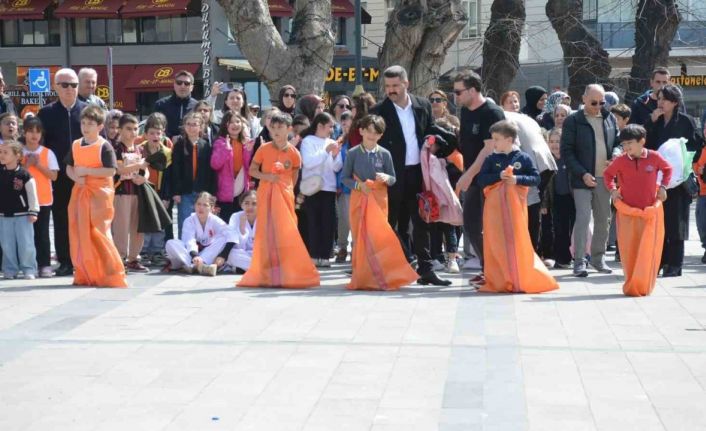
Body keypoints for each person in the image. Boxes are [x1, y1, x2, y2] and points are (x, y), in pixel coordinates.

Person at [370, 65, 452, 286]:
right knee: (389, 222)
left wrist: (436, 143)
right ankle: (387, 268)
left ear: (406, 83)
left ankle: (426, 270)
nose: (391, 90)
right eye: (388, 86)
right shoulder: (378, 111)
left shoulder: (422, 105)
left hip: (417, 172)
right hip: (390, 175)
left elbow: (430, 129)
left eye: (395, 85)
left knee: (422, 221)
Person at [239, 112, 320, 288]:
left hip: (284, 197)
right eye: (273, 127)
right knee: (267, 231)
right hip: (266, 194)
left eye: (280, 127)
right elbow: (252, 170)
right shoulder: (264, 148)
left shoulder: (294, 153)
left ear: (289, 129)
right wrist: (267, 177)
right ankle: (267, 272)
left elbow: (294, 175)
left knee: (286, 231)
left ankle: (287, 270)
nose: (275, 131)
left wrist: (286, 189)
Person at [476, 120, 558, 293]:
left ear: (509, 139)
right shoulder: (491, 159)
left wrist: (517, 179)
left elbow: (535, 178)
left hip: (517, 212)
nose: (493, 142)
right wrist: (498, 176)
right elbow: (481, 179)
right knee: (498, 243)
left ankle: (519, 277)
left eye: (496, 139)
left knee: (518, 242)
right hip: (496, 213)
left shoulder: (523, 158)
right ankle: (501, 278)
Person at [341, 114, 418, 290]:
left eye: (376, 133)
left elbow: (393, 178)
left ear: (381, 135)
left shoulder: (385, 154)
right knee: (360, 236)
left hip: (379, 200)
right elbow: (344, 178)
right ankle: (361, 273)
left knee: (378, 236)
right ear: (361, 131)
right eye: (369, 131)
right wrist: (359, 186)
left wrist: (386, 177)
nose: (372, 135)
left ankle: (380, 273)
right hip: (359, 199)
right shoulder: (353, 153)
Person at [560, 84, 620, 277]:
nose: (598, 106)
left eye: (602, 103)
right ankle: (579, 261)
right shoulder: (573, 121)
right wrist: (582, 174)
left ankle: (598, 259)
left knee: (604, 219)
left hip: (605, 177)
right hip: (582, 178)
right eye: (594, 102)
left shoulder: (609, 118)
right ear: (584, 98)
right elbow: (567, 152)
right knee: (583, 218)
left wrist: (616, 154)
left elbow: (618, 142)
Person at [604, 124, 671, 295]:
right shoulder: (621, 160)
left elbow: (667, 169)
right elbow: (608, 175)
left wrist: (663, 187)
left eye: (630, 143)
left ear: (642, 141)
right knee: (629, 250)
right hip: (627, 213)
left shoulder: (654, 157)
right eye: (624, 144)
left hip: (649, 214)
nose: (626, 147)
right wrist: (613, 190)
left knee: (647, 250)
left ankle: (644, 284)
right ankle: (632, 281)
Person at [65, 105, 126, 287]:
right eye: (83, 123)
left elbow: (111, 171)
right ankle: (86, 272)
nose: (85, 127)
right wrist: (76, 177)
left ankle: (110, 273)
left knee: (99, 233)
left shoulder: (104, 146)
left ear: (99, 126)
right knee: (79, 232)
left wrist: (87, 171)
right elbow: (69, 167)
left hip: (100, 196)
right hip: (80, 193)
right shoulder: (76, 144)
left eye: (90, 124)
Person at [454, 70, 505, 285]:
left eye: (458, 92)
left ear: (473, 90)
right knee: (471, 225)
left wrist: (468, 175)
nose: (455, 96)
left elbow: (489, 149)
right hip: (473, 178)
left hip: (492, 178)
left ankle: (497, 270)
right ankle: (488, 268)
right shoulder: (466, 112)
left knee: (492, 227)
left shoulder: (492, 113)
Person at [645, 85, 702, 277]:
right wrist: (651, 123)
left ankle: (675, 264)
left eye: (665, 99)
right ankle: (660, 261)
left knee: (677, 223)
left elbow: (696, 146)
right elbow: (646, 145)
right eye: (659, 98)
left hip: (678, 179)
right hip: (657, 178)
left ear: (675, 102)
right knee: (659, 221)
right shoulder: (656, 121)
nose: (660, 103)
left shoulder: (686, 121)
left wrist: (682, 160)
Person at [37, 68, 87, 277]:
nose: (70, 89)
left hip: (85, 175)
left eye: (74, 85)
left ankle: (86, 260)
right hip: (59, 176)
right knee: (61, 219)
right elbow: (40, 144)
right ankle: (65, 261)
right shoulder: (46, 113)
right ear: (56, 87)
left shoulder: (88, 111)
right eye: (65, 85)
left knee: (85, 219)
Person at [300, 112, 343, 267]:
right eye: (329, 126)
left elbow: (337, 167)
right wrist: (325, 151)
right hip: (312, 188)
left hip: (329, 187)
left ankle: (325, 255)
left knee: (328, 222)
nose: (332, 130)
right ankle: (313, 254)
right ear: (320, 125)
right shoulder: (308, 141)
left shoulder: (331, 141)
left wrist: (335, 155)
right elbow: (308, 162)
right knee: (313, 221)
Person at [421, 133, 464, 273]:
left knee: (445, 228)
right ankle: (442, 258)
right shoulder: (434, 160)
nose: (431, 146)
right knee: (440, 229)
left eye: (434, 144)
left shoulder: (436, 160)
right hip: (439, 199)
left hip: (442, 198)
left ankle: (450, 259)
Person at [112, 114, 149, 273]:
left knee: (138, 227)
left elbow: (146, 169)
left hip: (138, 192)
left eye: (135, 129)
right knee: (121, 227)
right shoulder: (116, 148)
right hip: (121, 192)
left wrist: (144, 177)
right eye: (128, 129)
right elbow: (119, 169)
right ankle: (119, 259)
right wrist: (138, 165)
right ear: (120, 130)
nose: (133, 132)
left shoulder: (140, 149)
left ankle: (134, 258)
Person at [22, 117, 58, 278]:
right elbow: (13, 173)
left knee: (42, 234)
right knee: (26, 235)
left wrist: (37, 165)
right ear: (24, 133)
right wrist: (27, 165)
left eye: (37, 131)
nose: (34, 135)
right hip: (22, 201)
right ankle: (28, 265)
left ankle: (44, 265)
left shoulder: (47, 153)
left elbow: (54, 176)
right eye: (30, 131)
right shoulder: (19, 152)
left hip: (43, 199)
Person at [170, 112, 215, 236]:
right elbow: (175, 170)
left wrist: (212, 192)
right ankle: (184, 244)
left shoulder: (206, 145)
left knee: (202, 222)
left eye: (194, 124)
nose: (191, 127)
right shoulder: (179, 145)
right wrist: (176, 192)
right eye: (188, 124)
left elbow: (210, 171)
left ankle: (200, 244)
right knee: (185, 221)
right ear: (184, 126)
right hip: (185, 191)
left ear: (201, 127)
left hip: (202, 191)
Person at [0, 141, 39, 280]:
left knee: (26, 243)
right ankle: (10, 269)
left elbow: (32, 194)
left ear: (17, 155)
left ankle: (29, 269)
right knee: (6, 244)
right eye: (0, 152)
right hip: (3, 215)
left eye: (5, 152)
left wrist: (33, 211)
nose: (2, 155)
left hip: (23, 215)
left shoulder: (24, 174)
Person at [164, 191, 226, 276]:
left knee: (223, 239)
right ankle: (196, 265)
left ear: (212, 208)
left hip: (207, 254)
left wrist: (222, 256)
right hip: (190, 254)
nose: (201, 207)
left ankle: (199, 264)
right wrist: (195, 256)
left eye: (205, 205)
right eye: (198, 204)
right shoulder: (189, 220)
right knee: (170, 243)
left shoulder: (216, 221)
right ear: (194, 205)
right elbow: (189, 240)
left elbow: (229, 236)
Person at [140, 113, 172, 267]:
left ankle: (158, 251)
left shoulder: (167, 152)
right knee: (145, 222)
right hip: (144, 191)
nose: (155, 136)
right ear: (145, 134)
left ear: (163, 133)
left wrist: (166, 197)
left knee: (159, 223)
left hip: (160, 191)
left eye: (158, 133)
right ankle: (143, 251)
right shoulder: (140, 150)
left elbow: (169, 176)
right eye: (152, 133)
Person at [211, 110, 253, 223]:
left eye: (238, 121)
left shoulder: (246, 143)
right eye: (231, 122)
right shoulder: (219, 142)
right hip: (226, 193)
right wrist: (226, 149)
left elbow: (249, 168)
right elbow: (215, 165)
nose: (235, 125)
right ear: (225, 125)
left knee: (241, 225)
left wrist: (248, 151)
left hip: (241, 191)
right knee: (226, 225)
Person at [547, 128, 574, 269]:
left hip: (571, 197)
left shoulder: (569, 158)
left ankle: (577, 256)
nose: (555, 144)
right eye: (551, 141)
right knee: (559, 229)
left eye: (558, 141)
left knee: (573, 229)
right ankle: (562, 259)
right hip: (556, 198)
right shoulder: (547, 159)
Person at [216, 190, 257, 273]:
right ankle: (258, 269)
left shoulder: (264, 217)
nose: (250, 207)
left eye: (254, 204)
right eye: (247, 203)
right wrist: (242, 226)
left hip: (258, 253)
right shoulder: (235, 216)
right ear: (241, 205)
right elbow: (238, 245)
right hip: (241, 253)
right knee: (230, 254)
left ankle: (244, 268)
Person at [154, 70, 198, 139]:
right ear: (174, 85)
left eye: (186, 83)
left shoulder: (197, 106)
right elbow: (155, 127)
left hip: (191, 143)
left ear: (192, 87)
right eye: (179, 83)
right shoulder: (161, 104)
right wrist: (170, 138)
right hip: (166, 143)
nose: (182, 86)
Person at [335, 111, 353, 263]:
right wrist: (337, 184)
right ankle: (342, 247)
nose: (345, 123)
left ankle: (356, 249)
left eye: (348, 120)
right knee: (344, 219)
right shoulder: (339, 141)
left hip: (359, 186)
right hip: (344, 187)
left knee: (357, 221)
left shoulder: (360, 140)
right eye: (343, 120)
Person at [694, 122, 706, 264]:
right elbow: (694, 167)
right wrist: (698, 170)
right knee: (702, 223)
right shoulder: (700, 148)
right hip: (702, 192)